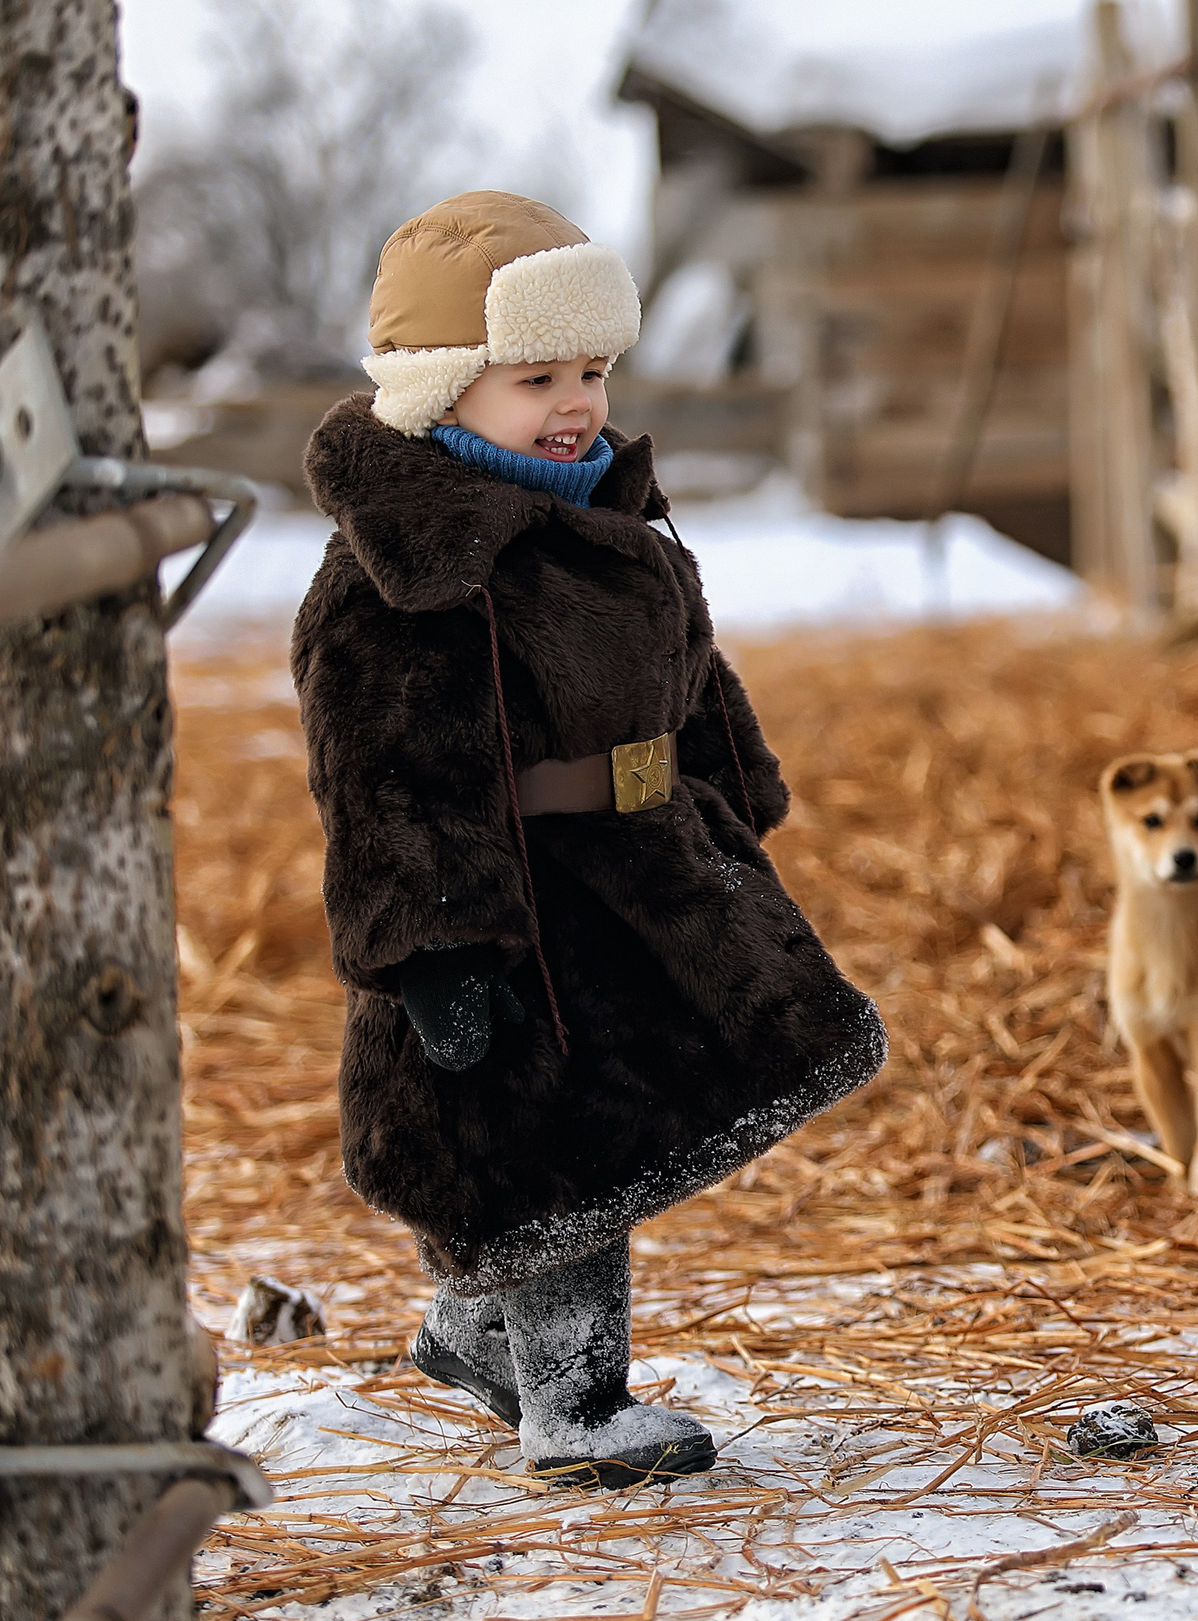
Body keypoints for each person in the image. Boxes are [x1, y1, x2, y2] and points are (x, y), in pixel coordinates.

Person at [291, 191, 886, 1488]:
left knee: (581, 1138)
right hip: (518, 915)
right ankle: (572, 1407)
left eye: (594, 370)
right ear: (444, 387)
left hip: (642, 877)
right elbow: (380, 772)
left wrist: (734, 784)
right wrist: (436, 949)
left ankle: (468, 1334)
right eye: (537, 376)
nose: (576, 401)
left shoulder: (604, 511)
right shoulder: (410, 574)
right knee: (563, 1150)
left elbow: (687, 669)